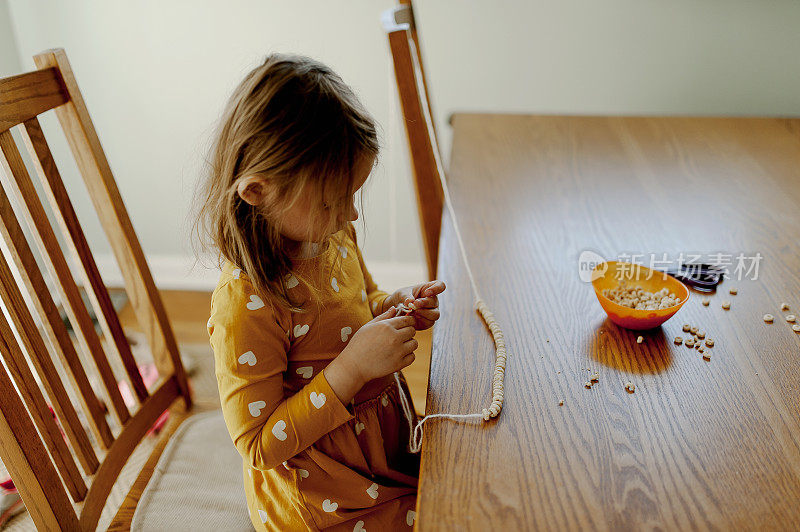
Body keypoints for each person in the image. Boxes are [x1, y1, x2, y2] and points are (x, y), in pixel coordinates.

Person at [193, 53, 446, 530]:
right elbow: (258, 444)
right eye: (335, 199)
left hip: (378, 456)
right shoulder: (246, 304)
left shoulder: (328, 233)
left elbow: (361, 303)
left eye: (354, 195)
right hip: (323, 497)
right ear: (258, 192)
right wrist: (352, 368)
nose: (350, 215)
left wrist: (393, 307)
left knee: (465, 484)